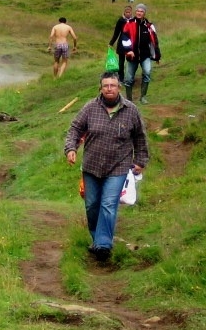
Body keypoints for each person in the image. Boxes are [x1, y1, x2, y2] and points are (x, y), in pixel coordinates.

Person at [64, 71, 150, 262]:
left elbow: (140, 137)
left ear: (119, 87)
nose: (109, 89)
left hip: (118, 167)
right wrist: (71, 148)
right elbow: (75, 128)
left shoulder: (131, 110)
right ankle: (98, 240)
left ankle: (103, 245)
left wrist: (141, 160)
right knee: (92, 205)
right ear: (100, 88)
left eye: (112, 85)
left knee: (109, 204)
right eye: (105, 86)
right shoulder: (90, 108)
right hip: (92, 166)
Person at [120, 4, 161, 104]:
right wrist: (129, 50)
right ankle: (129, 100)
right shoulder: (129, 24)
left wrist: (157, 56)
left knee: (147, 73)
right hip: (132, 56)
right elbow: (124, 38)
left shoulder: (149, 26)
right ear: (135, 12)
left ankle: (143, 97)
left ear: (144, 13)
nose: (139, 13)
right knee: (128, 79)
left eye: (141, 11)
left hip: (145, 56)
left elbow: (154, 41)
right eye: (138, 11)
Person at [108, 5, 134, 81]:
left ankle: (130, 76)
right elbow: (116, 33)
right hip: (122, 43)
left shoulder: (134, 20)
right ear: (124, 12)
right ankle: (121, 77)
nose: (128, 14)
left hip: (131, 43)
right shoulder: (121, 20)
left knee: (130, 60)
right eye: (126, 12)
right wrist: (111, 43)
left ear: (131, 12)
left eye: (129, 12)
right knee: (121, 61)